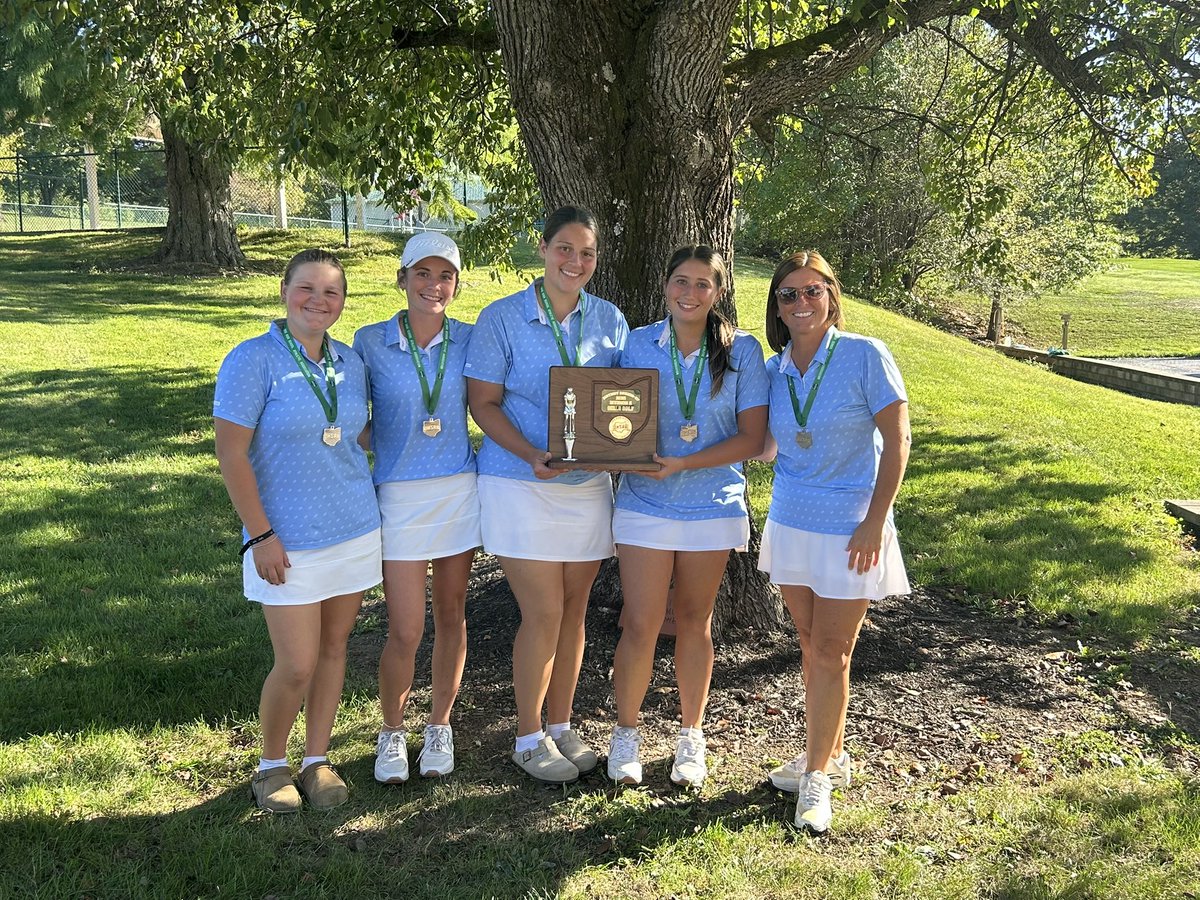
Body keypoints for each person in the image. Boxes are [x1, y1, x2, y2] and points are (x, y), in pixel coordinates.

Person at [214, 248, 382, 813]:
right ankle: (269, 766)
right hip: (285, 538)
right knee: (297, 663)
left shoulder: (350, 362)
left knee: (336, 649)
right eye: (307, 288)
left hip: (354, 527)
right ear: (284, 292)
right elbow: (231, 454)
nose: (318, 300)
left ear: (342, 302)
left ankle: (316, 759)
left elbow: (355, 433)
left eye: (331, 292)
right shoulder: (252, 360)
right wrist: (260, 535)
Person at [465, 205, 629, 784]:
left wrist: (623, 449)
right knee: (543, 611)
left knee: (576, 612)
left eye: (586, 252)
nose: (575, 261)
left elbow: (621, 402)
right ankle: (528, 736)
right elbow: (482, 402)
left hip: (588, 487)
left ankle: (561, 725)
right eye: (565, 248)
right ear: (542, 248)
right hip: (518, 481)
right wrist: (530, 453)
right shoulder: (502, 318)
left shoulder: (610, 320)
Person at [757, 250, 911, 833]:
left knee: (832, 652)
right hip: (792, 523)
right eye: (789, 295)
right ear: (777, 306)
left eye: (812, 291)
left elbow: (898, 441)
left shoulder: (865, 355)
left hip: (852, 528)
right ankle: (832, 755)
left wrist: (877, 519)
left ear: (832, 295)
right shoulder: (773, 371)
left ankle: (816, 778)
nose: (801, 303)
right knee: (808, 641)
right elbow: (766, 445)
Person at [606, 246, 768, 788]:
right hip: (644, 503)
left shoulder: (742, 351)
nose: (690, 293)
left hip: (711, 504)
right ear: (666, 285)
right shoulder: (637, 342)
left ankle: (689, 737)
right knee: (639, 623)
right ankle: (625, 733)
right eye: (681, 281)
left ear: (718, 293)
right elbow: (610, 418)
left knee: (695, 624)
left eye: (703, 284)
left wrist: (682, 462)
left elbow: (750, 438)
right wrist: (615, 453)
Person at [353, 232, 480, 783]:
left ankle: (440, 726)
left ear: (456, 284)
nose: (434, 285)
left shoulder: (472, 340)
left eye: (445, 275)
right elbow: (352, 416)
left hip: (457, 491)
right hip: (398, 497)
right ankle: (391, 732)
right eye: (422, 274)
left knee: (452, 617)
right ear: (402, 278)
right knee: (405, 628)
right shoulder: (370, 340)